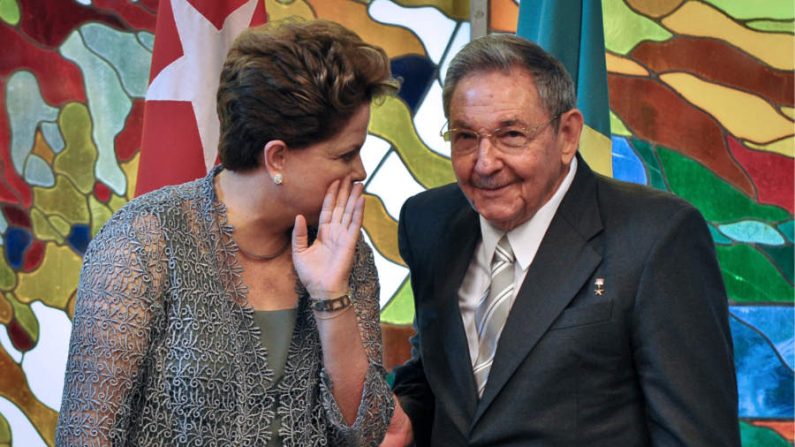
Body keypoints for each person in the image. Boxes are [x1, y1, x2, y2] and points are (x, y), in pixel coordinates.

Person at [385, 34, 740, 446]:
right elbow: (437, 380)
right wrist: (404, 417)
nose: (484, 163)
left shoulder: (657, 236)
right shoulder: (427, 221)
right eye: (465, 137)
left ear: (568, 134)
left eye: (511, 135)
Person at [56, 19, 398, 447]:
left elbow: (368, 433)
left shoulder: (347, 250)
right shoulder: (141, 242)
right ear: (277, 158)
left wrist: (332, 295)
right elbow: (86, 436)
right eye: (346, 154)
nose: (360, 171)